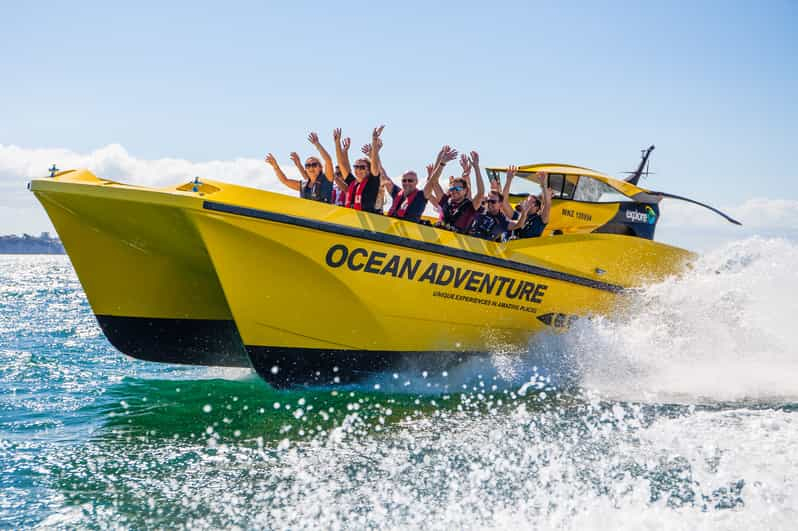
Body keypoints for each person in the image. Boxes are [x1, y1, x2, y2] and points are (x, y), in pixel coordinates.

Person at [425, 148, 484, 233]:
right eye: (452, 188)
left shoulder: (470, 206)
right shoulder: (445, 200)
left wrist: (476, 167)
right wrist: (441, 161)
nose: (454, 191)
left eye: (458, 189)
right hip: (439, 238)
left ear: (465, 190)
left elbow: (480, 193)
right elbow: (433, 182)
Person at [264, 138, 334, 204]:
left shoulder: (327, 180)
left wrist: (317, 144)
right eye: (308, 165)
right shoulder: (303, 185)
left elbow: (328, 161)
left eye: (314, 164)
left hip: (323, 215)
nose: (311, 167)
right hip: (305, 216)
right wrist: (275, 166)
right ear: (305, 169)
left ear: (320, 167)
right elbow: (285, 181)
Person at [333, 127, 382, 213]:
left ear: (368, 170)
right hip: (351, 219)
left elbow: (375, 165)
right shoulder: (352, 182)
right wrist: (337, 143)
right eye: (356, 167)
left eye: (362, 167)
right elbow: (341, 164)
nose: (358, 170)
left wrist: (374, 141)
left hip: (368, 223)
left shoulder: (373, 182)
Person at [513, 171, 552, 238]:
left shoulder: (540, 220)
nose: (526, 203)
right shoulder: (518, 215)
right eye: (526, 201)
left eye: (529, 202)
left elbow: (547, 206)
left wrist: (544, 185)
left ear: (537, 207)